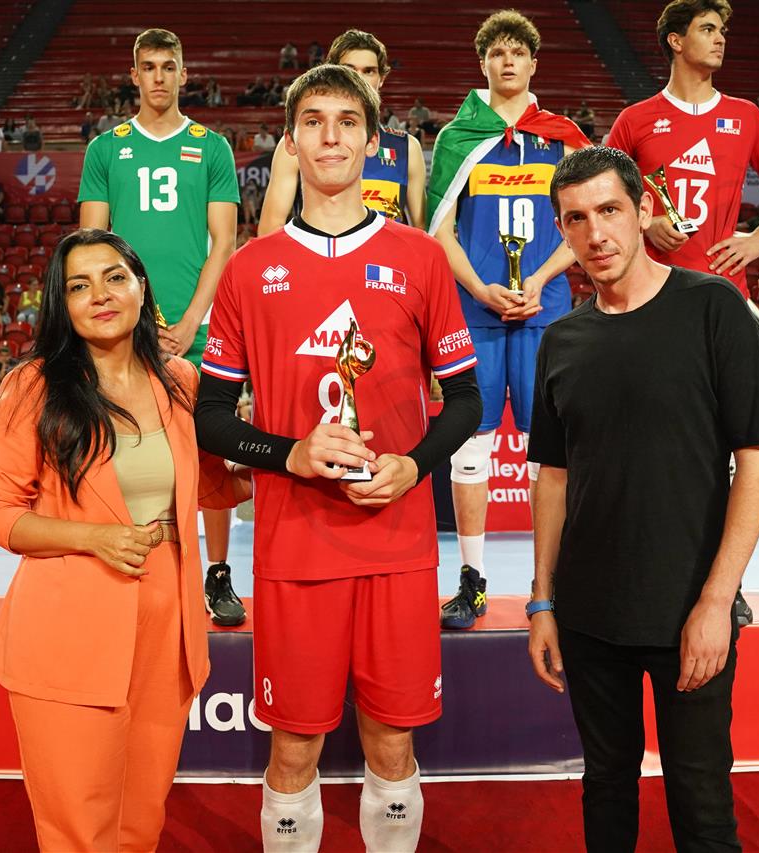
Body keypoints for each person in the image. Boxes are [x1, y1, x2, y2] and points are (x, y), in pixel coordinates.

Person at [194, 63, 480, 853]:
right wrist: (290, 452)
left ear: (372, 141)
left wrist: (413, 465)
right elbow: (211, 417)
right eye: (313, 121)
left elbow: (464, 400)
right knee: (294, 748)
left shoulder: (421, 258)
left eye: (347, 121)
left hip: (398, 544)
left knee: (393, 742)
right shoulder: (249, 268)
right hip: (295, 548)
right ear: (290, 142)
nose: (330, 136)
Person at [529, 145, 759, 853]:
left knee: (701, 806)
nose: (596, 233)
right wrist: (543, 600)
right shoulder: (562, 339)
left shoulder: (713, 307)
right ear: (562, 230)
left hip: (689, 609)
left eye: (609, 210)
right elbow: (554, 477)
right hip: (586, 615)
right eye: (576, 219)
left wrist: (716, 602)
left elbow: (757, 466)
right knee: (606, 788)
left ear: (643, 210)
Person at [0, 229, 246, 851]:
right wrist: (93, 537)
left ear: (142, 289)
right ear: (62, 303)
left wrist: (294, 459)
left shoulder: (180, 380)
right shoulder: (34, 386)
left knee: (140, 820)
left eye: (114, 277)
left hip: (168, 633)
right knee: (79, 829)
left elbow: (213, 484)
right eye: (79, 285)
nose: (100, 294)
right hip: (68, 631)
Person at [428, 10, 590, 628]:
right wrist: (480, 289)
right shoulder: (458, 137)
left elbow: (586, 223)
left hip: (546, 313)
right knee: (470, 450)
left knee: (550, 453)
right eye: (497, 52)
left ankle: (551, 582)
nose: (508, 61)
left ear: (533, 63)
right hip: (475, 312)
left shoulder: (562, 136)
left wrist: (540, 280)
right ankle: (472, 581)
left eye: (518, 52)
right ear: (484, 64)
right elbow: (438, 229)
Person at [79, 27, 243, 626]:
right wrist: (131, 317)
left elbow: (224, 243)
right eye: (147, 66)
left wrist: (193, 318)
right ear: (133, 75)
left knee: (211, 453)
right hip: (125, 330)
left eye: (167, 66)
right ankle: (132, 564)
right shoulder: (106, 149)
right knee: (123, 448)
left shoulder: (212, 147)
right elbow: (90, 246)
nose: (158, 77)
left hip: (198, 328)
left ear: (182, 74)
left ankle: (218, 573)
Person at [607, 0, 759, 297]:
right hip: (650, 288)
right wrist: (644, 224)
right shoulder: (634, 119)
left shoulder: (746, 116)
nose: (720, 39)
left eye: (722, 31)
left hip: (723, 288)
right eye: (708, 30)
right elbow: (605, 198)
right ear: (676, 41)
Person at [260, 29, 428, 232]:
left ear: (381, 78)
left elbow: (421, 232)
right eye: (349, 69)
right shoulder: (299, 142)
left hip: (387, 254)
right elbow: (271, 226)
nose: (359, 79)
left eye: (369, 71)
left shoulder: (407, 147)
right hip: (315, 253)